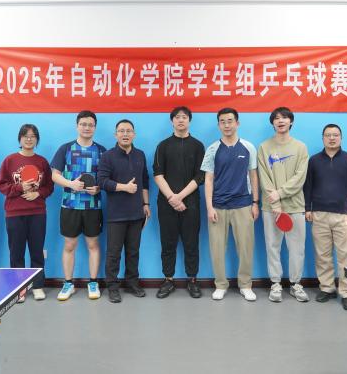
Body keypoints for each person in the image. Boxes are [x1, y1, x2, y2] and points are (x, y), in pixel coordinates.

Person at [201, 108, 259, 302]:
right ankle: (220, 285)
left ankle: (246, 285)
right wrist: (209, 207)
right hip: (218, 206)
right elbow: (208, 179)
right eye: (223, 122)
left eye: (230, 121)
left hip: (243, 204)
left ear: (237, 123)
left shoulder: (248, 147)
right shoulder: (212, 149)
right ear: (219, 125)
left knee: (245, 248)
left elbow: (253, 176)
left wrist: (255, 202)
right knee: (217, 249)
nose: (227, 125)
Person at [303, 124, 347, 311]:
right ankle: (327, 288)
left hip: (344, 215)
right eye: (328, 135)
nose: (332, 138)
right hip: (319, 214)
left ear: (341, 138)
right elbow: (308, 186)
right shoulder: (314, 161)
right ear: (323, 138)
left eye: (335, 135)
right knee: (322, 255)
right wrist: (307, 208)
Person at [50, 111, 106, 301]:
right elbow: (54, 175)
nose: (87, 128)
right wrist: (70, 184)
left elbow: (106, 178)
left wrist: (99, 188)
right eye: (83, 124)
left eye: (90, 125)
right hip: (70, 205)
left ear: (95, 127)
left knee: (93, 244)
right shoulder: (66, 149)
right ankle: (68, 283)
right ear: (77, 126)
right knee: (69, 245)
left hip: (93, 206)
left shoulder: (102, 151)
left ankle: (93, 282)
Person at [257, 107, 310, 303]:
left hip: (295, 206)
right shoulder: (264, 147)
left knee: (297, 248)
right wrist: (275, 202)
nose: (281, 121)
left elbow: (300, 178)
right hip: (271, 208)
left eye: (285, 118)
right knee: (272, 246)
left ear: (291, 122)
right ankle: (275, 284)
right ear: (272, 123)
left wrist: (279, 194)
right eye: (277, 118)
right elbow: (264, 177)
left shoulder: (301, 147)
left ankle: (296, 284)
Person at [0, 124, 54, 302]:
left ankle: (37, 286)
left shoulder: (42, 162)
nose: (29, 139)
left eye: (33, 136)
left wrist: (38, 193)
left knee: (37, 251)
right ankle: (19, 289)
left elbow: (49, 186)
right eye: (25, 136)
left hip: (37, 212)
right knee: (16, 253)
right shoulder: (10, 160)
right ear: (20, 139)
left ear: (37, 140)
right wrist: (19, 187)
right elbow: (1, 185)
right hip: (14, 213)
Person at [153, 106, 205, 299]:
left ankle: (193, 280)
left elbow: (200, 175)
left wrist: (180, 196)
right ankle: (168, 279)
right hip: (166, 203)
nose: (180, 120)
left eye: (184, 117)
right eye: (177, 117)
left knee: (191, 243)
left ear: (189, 120)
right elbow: (158, 174)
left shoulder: (198, 146)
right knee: (168, 243)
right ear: (172, 121)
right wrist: (172, 198)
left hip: (191, 203)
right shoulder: (163, 145)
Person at [97, 119, 151, 303]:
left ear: (134, 134)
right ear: (116, 135)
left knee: (133, 251)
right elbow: (102, 181)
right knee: (113, 253)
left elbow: (144, 181)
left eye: (128, 131)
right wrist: (123, 187)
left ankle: (132, 283)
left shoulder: (140, 155)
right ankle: (112, 287)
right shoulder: (108, 156)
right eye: (121, 131)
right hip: (116, 214)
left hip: (136, 213)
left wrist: (146, 204)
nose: (125, 134)